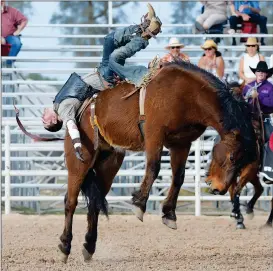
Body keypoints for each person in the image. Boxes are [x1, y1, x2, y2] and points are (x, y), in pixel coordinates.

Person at [42, 3, 162, 161]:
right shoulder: (64, 110)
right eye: (44, 121)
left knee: (109, 40)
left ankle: (143, 29)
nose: (42, 116)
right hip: (105, 77)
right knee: (115, 58)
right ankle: (143, 72)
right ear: (51, 121)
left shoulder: (59, 103)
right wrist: (77, 145)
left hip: (101, 71)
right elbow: (71, 126)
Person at [1, 0, 28, 66]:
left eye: (2, 1)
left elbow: (24, 20)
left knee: (17, 43)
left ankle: (8, 64)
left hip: (10, 35)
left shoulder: (12, 11)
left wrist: (18, 31)